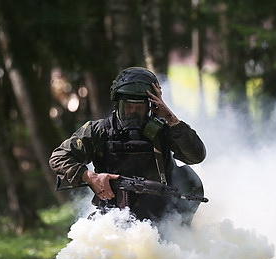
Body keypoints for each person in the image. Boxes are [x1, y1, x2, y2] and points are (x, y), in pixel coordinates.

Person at [49, 67, 206, 224]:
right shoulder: (99, 130)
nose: (133, 112)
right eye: (128, 107)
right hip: (113, 216)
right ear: (118, 104)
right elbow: (59, 157)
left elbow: (196, 156)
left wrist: (171, 119)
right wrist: (91, 177)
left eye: (139, 108)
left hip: (162, 217)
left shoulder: (164, 130)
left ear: (151, 106)